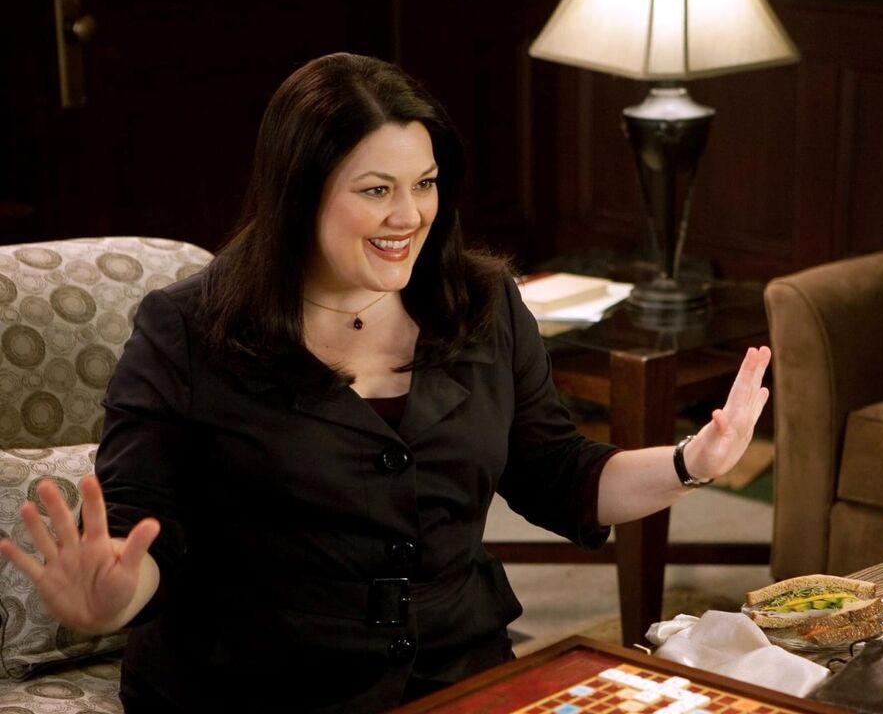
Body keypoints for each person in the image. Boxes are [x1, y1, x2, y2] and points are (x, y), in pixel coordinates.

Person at [0, 53, 770, 712]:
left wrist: (690, 462)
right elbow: (144, 532)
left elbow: (557, 470)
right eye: (376, 190)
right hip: (255, 690)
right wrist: (112, 599)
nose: (410, 215)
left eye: (424, 183)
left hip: (460, 672)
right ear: (300, 192)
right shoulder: (185, 331)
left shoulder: (483, 301)